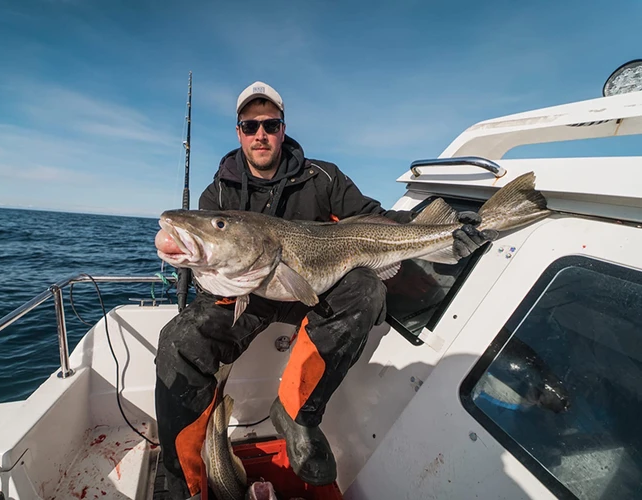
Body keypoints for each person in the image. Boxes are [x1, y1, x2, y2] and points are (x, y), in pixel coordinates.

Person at [154, 81, 491, 499]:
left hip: (312, 289)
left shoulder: (323, 177)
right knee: (180, 339)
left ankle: (296, 413)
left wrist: (443, 233)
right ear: (238, 131)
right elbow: (212, 260)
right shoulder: (218, 193)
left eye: (270, 124)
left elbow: (373, 218)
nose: (261, 134)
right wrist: (202, 262)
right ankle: (180, 480)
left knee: (367, 288)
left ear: (282, 128)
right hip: (249, 292)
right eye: (250, 125)